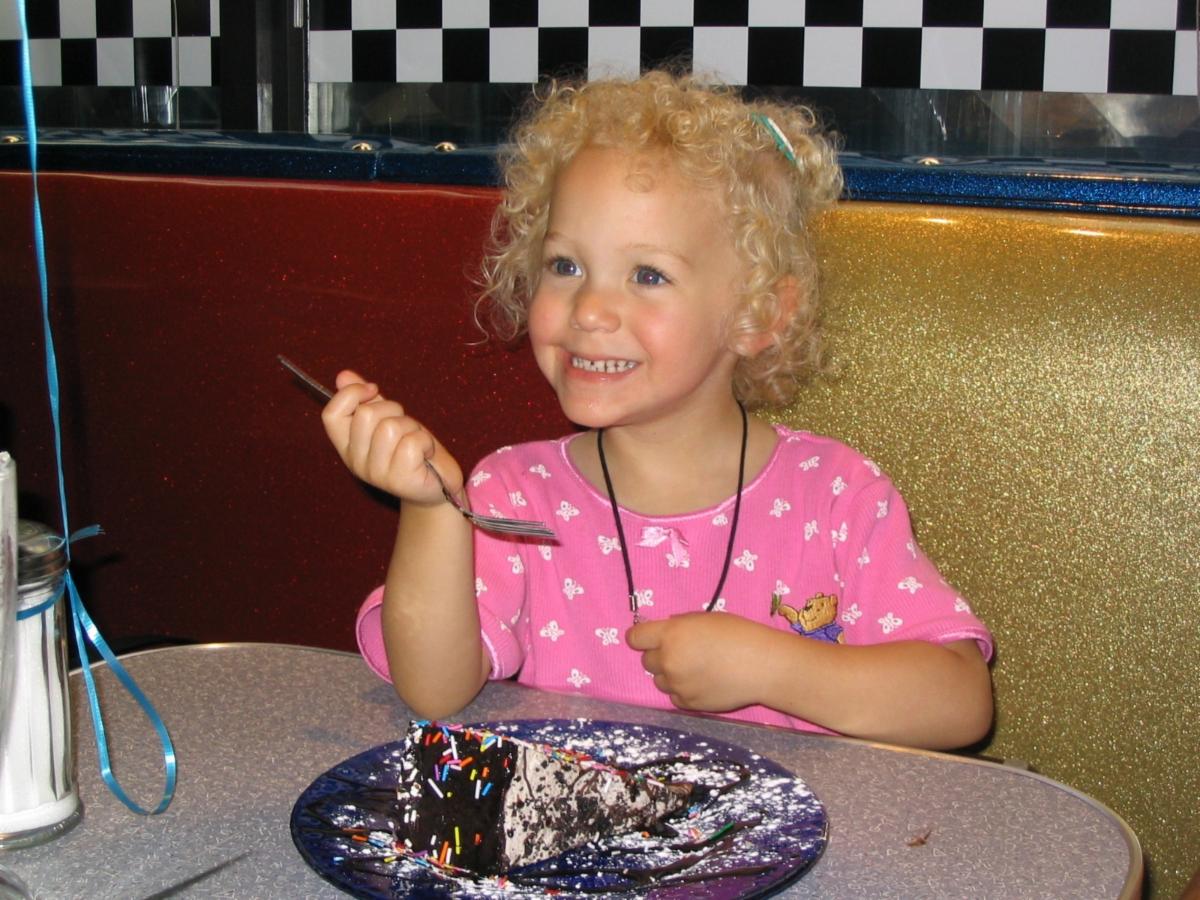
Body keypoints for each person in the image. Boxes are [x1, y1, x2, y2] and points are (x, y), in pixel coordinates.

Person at [322, 70, 994, 750]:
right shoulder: (516, 498)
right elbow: (434, 690)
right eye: (565, 266)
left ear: (759, 313)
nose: (589, 309)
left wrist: (772, 667)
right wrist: (432, 509)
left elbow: (960, 702)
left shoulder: (835, 496)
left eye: (648, 275)